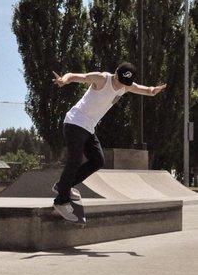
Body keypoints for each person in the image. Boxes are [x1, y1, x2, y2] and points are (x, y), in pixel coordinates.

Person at [52, 62, 166, 222]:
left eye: (124, 83)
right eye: (119, 80)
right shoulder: (102, 79)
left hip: (88, 128)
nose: (120, 85)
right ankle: (61, 201)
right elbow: (77, 76)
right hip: (74, 122)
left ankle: (63, 186)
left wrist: (152, 91)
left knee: (98, 161)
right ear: (116, 72)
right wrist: (64, 79)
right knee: (75, 159)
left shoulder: (125, 86)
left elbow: (144, 90)